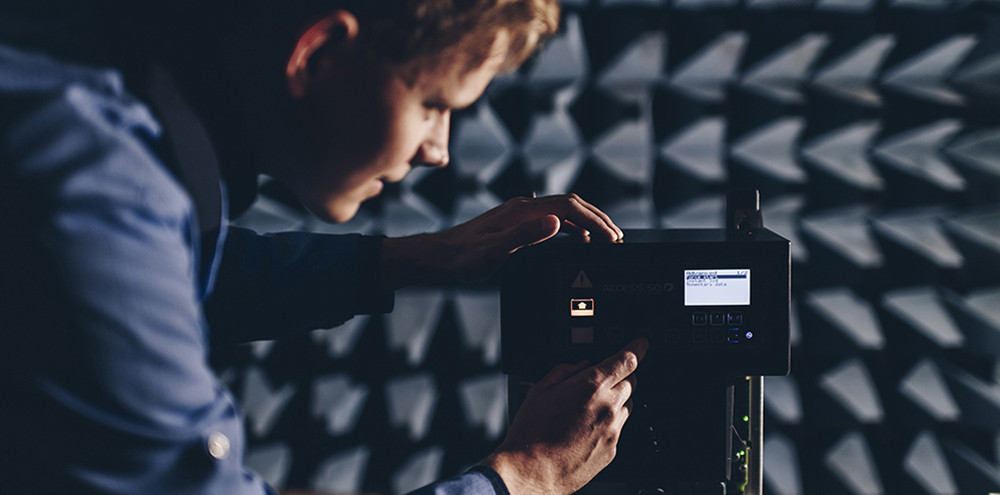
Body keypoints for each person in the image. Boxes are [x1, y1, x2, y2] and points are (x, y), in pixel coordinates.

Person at [0, 1, 649, 494]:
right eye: (430, 105)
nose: (439, 150)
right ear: (318, 56)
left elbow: (190, 272)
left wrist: (412, 257)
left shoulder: (98, 91)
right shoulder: (97, 198)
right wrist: (520, 476)